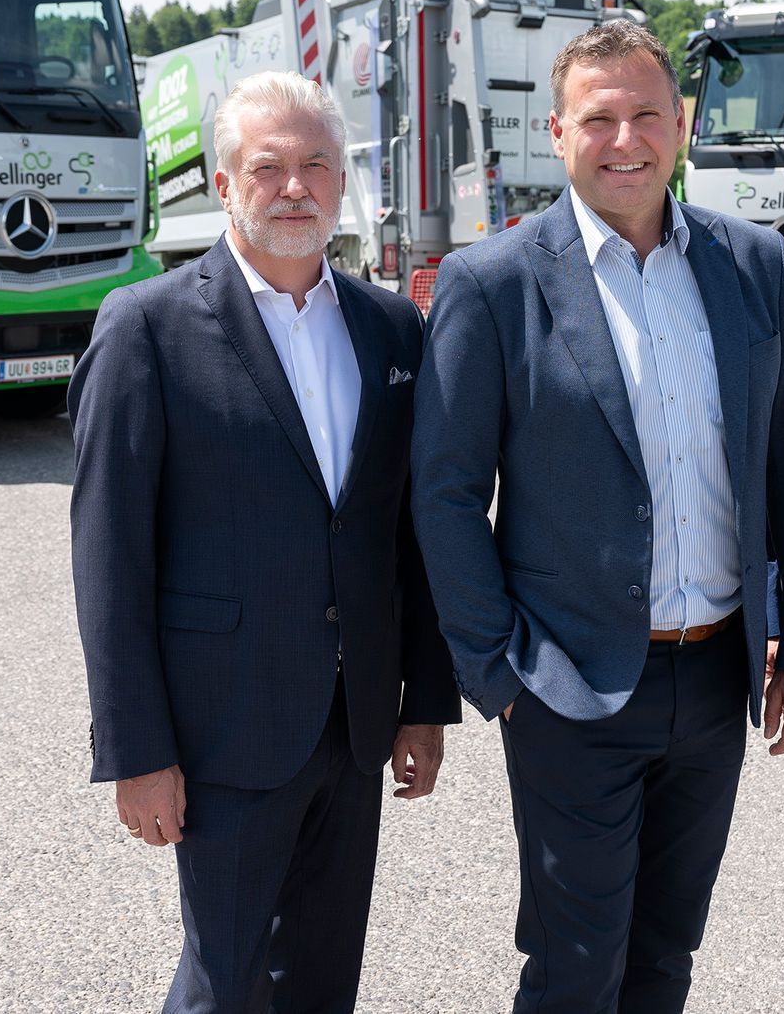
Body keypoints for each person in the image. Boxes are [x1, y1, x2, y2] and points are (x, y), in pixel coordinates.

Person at [411, 20, 784, 1014]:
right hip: (570, 687)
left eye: (648, 113)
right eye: (598, 118)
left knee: (664, 959)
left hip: (718, 673)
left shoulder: (751, 265)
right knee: (575, 967)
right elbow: (442, 490)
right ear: (557, 134)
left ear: (682, 125)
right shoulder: (494, 281)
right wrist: (498, 665)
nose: (625, 138)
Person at [68, 70, 460, 1013]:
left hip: (353, 720)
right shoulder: (148, 327)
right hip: (222, 729)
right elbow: (109, 553)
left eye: (316, 165)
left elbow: (412, 529)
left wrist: (423, 701)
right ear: (221, 179)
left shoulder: (390, 326)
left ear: (341, 179)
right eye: (268, 167)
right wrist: (136, 748)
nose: (295, 188)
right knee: (223, 980)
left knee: (324, 979)